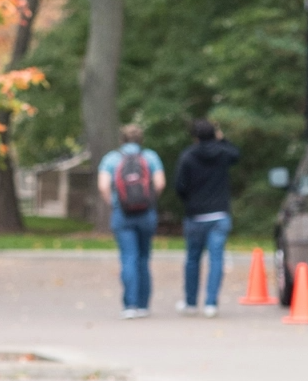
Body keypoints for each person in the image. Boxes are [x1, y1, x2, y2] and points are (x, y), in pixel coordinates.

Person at [174, 118, 241, 317]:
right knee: (216, 259)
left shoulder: (187, 156)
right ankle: (211, 303)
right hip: (219, 214)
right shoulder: (223, 153)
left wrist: (190, 202)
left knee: (193, 259)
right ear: (214, 134)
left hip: (195, 216)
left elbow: (180, 186)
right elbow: (237, 154)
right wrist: (221, 139)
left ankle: (191, 302)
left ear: (194, 136)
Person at [98, 123, 166, 318]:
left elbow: (103, 185)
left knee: (128, 257)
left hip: (123, 214)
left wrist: (114, 202)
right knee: (144, 258)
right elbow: (160, 183)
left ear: (122, 139)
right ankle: (144, 305)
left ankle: (130, 305)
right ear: (140, 139)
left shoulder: (111, 159)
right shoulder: (150, 157)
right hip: (146, 213)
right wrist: (150, 200)